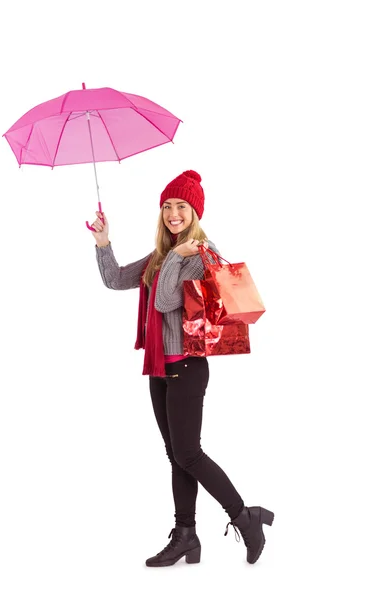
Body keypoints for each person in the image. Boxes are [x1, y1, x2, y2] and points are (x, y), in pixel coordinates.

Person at [91, 169, 274, 568]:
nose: (174, 213)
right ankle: (186, 535)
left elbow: (164, 303)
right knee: (177, 455)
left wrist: (174, 257)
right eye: (168, 206)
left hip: (188, 367)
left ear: (195, 212)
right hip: (160, 369)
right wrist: (103, 242)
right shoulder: (163, 256)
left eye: (182, 206)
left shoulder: (200, 253)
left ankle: (246, 516)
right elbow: (114, 279)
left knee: (189, 454)